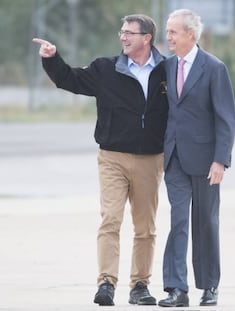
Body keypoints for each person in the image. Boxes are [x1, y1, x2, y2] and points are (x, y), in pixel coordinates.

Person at [33, 14, 168, 306]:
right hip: (112, 158)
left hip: (150, 160)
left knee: (146, 227)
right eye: (122, 32)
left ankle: (140, 286)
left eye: (129, 33)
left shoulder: (167, 71)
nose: (123, 37)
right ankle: (106, 283)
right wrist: (52, 59)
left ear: (146, 38)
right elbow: (70, 79)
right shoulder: (105, 68)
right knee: (111, 219)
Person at [158, 9, 235, 307]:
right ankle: (177, 289)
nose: (169, 37)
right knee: (178, 220)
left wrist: (221, 160)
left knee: (205, 222)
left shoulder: (214, 68)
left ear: (191, 34)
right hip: (175, 157)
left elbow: (226, 118)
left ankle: (210, 286)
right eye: (168, 32)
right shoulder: (166, 67)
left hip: (206, 161)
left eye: (174, 32)